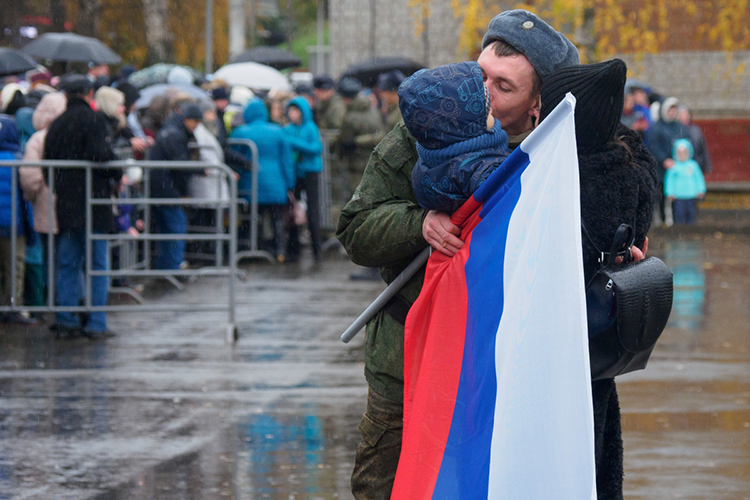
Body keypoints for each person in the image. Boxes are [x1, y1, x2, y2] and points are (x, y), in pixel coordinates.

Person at [337, 9, 581, 499]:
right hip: (407, 355)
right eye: (481, 75)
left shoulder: (557, 154)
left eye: (504, 87)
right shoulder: (427, 122)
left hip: (502, 365)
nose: (484, 94)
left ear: (539, 104)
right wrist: (418, 223)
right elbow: (356, 227)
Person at [539, 58, 658, 498]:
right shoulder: (633, 174)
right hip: (601, 344)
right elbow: (638, 148)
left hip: (553, 349)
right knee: (602, 455)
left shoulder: (556, 178)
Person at [44, 74, 120, 338]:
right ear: (89, 93)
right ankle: (96, 322)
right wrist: (117, 171)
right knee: (98, 265)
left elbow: (47, 164)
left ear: (65, 95)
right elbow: (101, 154)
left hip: (66, 203)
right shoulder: (94, 121)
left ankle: (66, 320)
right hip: (93, 203)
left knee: (68, 263)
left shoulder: (58, 124)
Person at [401, 61, 511, 213]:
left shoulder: (426, 167)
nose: (492, 109)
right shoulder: (481, 170)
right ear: (468, 129)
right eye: (486, 111)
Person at [229, 98, 295, 261]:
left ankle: (256, 248)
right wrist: (290, 183)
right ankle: (280, 250)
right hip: (276, 182)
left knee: (253, 218)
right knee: (277, 219)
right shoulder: (278, 131)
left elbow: (233, 156)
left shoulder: (241, 132)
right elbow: (286, 160)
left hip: (251, 182)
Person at [148, 102, 203, 270]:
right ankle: (172, 266)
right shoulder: (175, 134)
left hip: (161, 186)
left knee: (167, 229)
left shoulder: (169, 130)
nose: (197, 127)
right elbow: (180, 164)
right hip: (167, 188)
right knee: (176, 225)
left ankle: (166, 266)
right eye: (196, 122)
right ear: (188, 120)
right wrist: (200, 169)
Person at [0, 115, 37, 324]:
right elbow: (26, 196)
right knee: (15, 268)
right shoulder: (17, 159)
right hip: (13, 224)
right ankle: (13, 307)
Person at [284, 96, 324, 262]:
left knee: (313, 209)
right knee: (293, 209)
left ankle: (317, 248)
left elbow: (316, 148)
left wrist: (295, 143)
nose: (292, 113)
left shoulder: (310, 127)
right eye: (290, 110)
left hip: (310, 171)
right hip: (296, 172)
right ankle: (293, 247)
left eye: (295, 110)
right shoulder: (289, 128)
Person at [336, 77, 383, 200]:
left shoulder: (350, 117)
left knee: (357, 202)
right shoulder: (374, 111)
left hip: (356, 167)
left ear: (346, 99)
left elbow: (344, 141)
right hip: (375, 164)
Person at [354, 71, 406, 150]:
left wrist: (357, 141)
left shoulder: (400, 111)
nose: (381, 95)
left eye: (384, 91)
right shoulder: (395, 109)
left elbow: (386, 137)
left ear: (393, 92)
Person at [664, 138, 706, 225]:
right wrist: (669, 192)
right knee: (679, 214)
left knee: (691, 213)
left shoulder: (693, 165)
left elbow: (699, 178)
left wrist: (701, 190)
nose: (682, 155)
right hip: (678, 196)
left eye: (684, 153)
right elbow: (669, 180)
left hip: (691, 195)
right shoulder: (673, 167)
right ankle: (679, 230)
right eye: (680, 153)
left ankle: (691, 229)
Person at [677, 104, 712, 174]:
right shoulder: (674, 131)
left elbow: (703, 148)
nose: (684, 117)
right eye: (682, 114)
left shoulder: (695, 130)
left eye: (686, 114)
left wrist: (707, 166)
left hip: (696, 164)